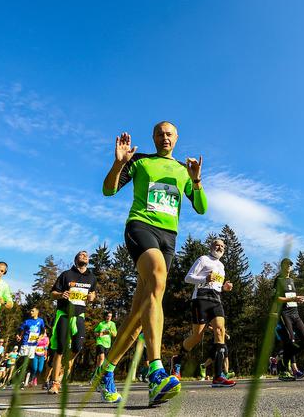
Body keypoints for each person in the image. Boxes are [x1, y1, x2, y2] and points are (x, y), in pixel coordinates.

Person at [94, 122, 207, 405]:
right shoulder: (140, 161)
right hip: (141, 227)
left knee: (137, 316)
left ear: (176, 138)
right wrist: (118, 163)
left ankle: (105, 370)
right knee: (158, 280)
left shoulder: (183, 170)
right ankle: (156, 371)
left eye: (169, 133)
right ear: (153, 138)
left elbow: (202, 207)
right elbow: (108, 190)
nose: (164, 137)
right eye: (159, 133)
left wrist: (196, 180)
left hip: (169, 238)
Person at [171, 239, 235, 387]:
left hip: (216, 300)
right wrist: (205, 278)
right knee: (197, 336)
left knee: (220, 331)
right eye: (217, 245)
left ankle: (218, 376)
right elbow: (188, 278)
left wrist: (224, 287)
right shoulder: (203, 259)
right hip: (200, 298)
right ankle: (177, 359)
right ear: (211, 247)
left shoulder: (221, 266)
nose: (219, 247)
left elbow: (216, 285)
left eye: (222, 246)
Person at [48, 250, 97, 394]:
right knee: (60, 348)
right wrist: (61, 294)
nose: (84, 256)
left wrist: (91, 297)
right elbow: (52, 294)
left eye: (86, 255)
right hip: (64, 314)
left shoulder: (92, 278)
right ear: (76, 260)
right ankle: (55, 382)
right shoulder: (66, 275)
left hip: (79, 315)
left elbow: (93, 294)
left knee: (77, 347)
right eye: (81, 255)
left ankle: (63, 368)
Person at [274, 258, 304, 381]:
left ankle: (283, 358)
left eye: (290, 265)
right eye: (286, 265)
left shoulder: (291, 280)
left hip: (296, 314)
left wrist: (299, 299)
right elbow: (277, 298)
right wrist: (292, 299)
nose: (288, 267)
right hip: (285, 314)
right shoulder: (279, 280)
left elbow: (292, 296)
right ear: (282, 266)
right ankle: (284, 370)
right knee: (290, 340)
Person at [16, 307, 46, 387]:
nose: (31, 312)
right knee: (24, 361)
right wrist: (18, 336)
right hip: (25, 343)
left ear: (37, 312)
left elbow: (43, 331)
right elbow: (20, 329)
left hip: (33, 344)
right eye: (30, 310)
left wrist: (40, 337)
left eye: (32, 311)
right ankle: (21, 381)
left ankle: (30, 378)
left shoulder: (40, 321)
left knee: (31, 363)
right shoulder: (27, 321)